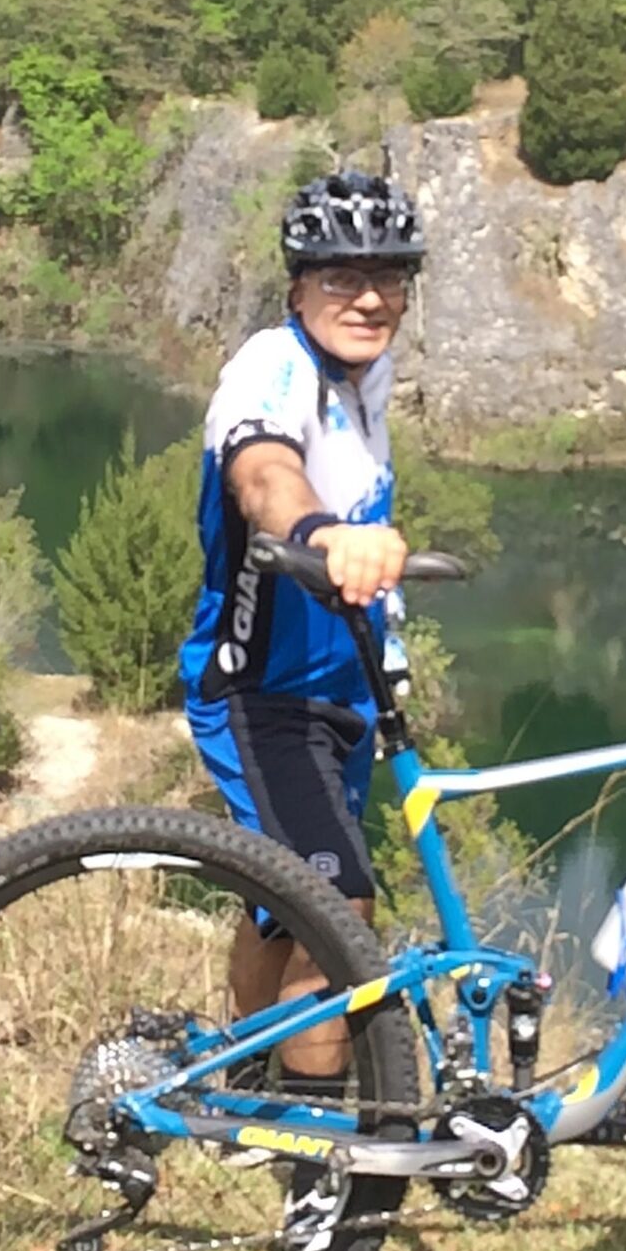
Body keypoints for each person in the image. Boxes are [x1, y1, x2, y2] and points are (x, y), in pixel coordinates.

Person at [180, 170, 423, 1091]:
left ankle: (245, 1080)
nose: (369, 298)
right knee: (336, 910)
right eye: (340, 278)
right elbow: (263, 475)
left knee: (282, 902)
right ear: (295, 287)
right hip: (263, 693)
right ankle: (313, 1163)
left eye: (390, 278)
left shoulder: (364, 377)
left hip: (345, 697)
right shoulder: (270, 367)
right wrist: (322, 537)